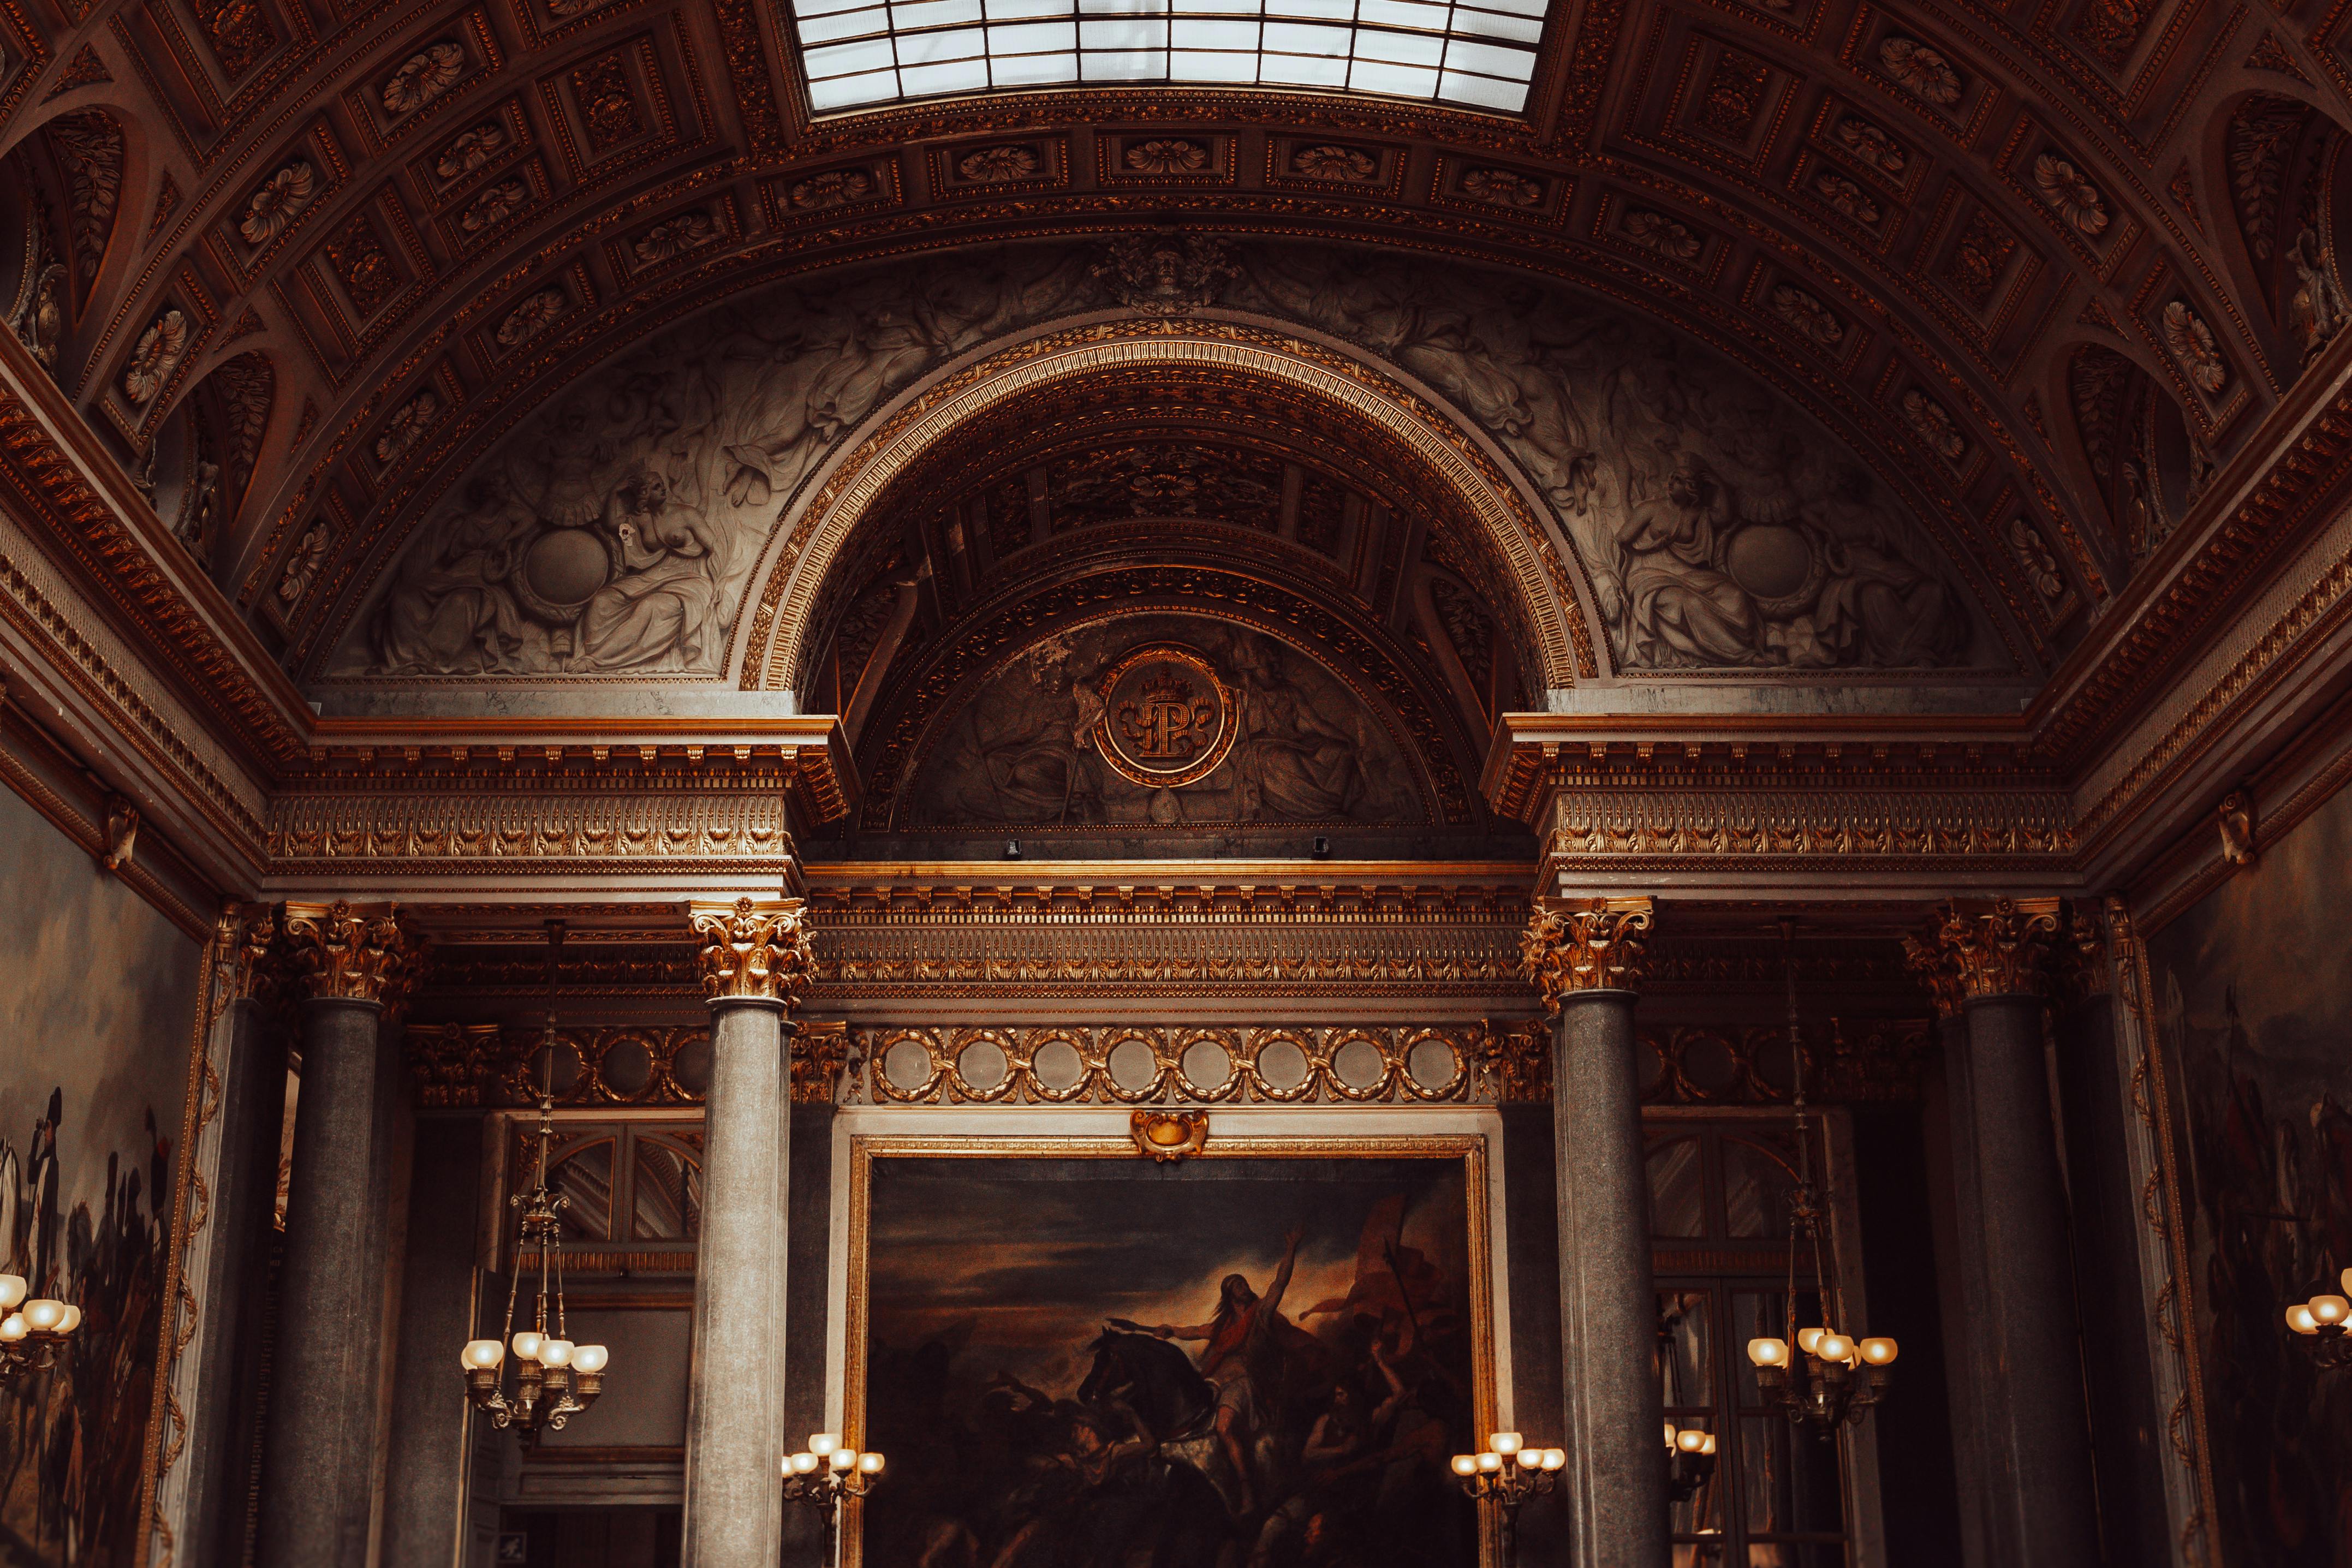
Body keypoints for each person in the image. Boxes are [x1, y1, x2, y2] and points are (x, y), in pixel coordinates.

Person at [1150, 1224, 1308, 1513]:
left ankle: (1247, 1490)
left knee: (1223, 1427)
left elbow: (1279, 1283)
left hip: (1248, 1379)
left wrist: (1291, 1248)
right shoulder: (1224, 1326)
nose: (1244, 1286)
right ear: (1230, 1295)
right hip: (1219, 1381)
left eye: (1244, 1282)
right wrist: (1170, 1330)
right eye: (1237, 1285)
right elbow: (1196, 1330)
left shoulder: (1260, 1313)